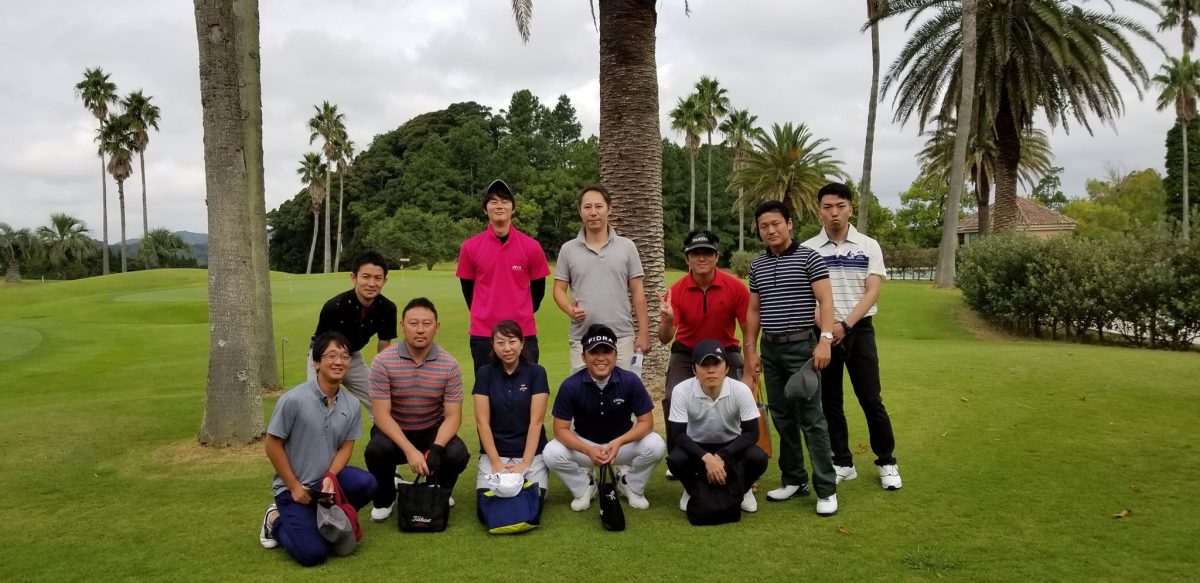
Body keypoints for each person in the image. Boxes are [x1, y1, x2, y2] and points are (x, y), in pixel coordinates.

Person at [742, 200, 840, 516]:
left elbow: (826, 301)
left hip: (802, 348)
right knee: (783, 417)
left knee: (812, 419)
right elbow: (754, 310)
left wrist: (825, 341)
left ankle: (826, 488)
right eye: (764, 226)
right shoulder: (757, 265)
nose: (771, 230)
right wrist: (750, 349)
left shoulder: (809, 258)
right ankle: (794, 479)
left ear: (789, 223)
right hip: (770, 350)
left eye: (776, 224)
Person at [802, 182, 902, 490]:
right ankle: (843, 462)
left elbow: (872, 292)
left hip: (859, 330)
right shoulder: (808, 249)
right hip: (823, 334)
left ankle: (886, 461)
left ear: (850, 209)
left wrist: (844, 325)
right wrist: (828, 328)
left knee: (870, 398)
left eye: (840, 206)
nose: (834, 212)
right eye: (828, 207)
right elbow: (807, 297)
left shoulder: (868, 245)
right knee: (830, 401)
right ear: (819, 211)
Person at [259, 331, 378, 566]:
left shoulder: (351, 404)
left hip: (327, 483)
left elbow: (346, 446)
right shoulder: (293, 400)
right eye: (331, 355)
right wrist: (294, 486)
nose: (339, 361)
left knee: (367, 484)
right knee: (312, 554)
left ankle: (321, 516)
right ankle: (274, 520)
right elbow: (272, 445)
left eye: (344, 356)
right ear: (316, 363)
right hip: (295, 488)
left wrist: (331, 476)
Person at [364, 297, 470, 522]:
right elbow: (381, 415)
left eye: (426, 323)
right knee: (376, 450)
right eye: (413, 323)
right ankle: (385, 497)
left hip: (431, 429)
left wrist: (437, 448)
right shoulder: (383, 361)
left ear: (437, 327)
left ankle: (436, 488)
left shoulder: (450, 365)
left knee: (457, 454)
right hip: (395, 430)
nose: (420, 329)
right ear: (402, 326)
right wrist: (410, 450)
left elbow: (453, 417)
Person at [543, 324, 666, 511]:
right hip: (586, 445)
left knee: (656, 444)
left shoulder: (630, 381)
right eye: (594, 352)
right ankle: (585, 486)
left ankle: (630, 484)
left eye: (607, 352)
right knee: (551, 452)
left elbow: (646, 423)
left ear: (616, 355)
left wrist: (619, 442)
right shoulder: (570, 385)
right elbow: (560, 429)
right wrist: (588, 450)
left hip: (621, 445)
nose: (601, 358)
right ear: (583, 357)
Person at [658, 229, 753, 457]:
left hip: (726, 351)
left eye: (707, 253)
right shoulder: (676, 291)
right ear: (686, 258)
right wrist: (667, 320)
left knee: (743, 394)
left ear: (717, 257)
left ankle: (739, 453)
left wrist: (750, 368)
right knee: (672, 397)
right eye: (695, 253)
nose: (702, 258)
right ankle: (678, 455)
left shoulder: (736, 287)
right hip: (686, 352)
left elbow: (748, 330)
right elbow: (664, 337)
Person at [553, 185, 650, 373]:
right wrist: (570, 310)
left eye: (598, 206)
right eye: (587, 207)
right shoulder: (568, 249)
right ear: (580, 211)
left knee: (623, 389)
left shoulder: (627, 247)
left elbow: (638, 292)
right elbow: (558, 289)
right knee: (583, 390)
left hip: (621, 337)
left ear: (609, 209)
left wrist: (644, 334)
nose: (593, 212)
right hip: (582, 338)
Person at [456, 179, 551, 372]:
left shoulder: (531, 246)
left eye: (505, 201)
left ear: (513, 208)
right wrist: (484, 312)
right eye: (493, 201)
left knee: (526, 388)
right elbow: (468, 290)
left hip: (523, 333)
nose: (499, 205)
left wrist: (521, 311)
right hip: (484, 334)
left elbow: (538, 291)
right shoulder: (470, 247)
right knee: (486, 388)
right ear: (485, 209)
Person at [666, 339, 768, 515]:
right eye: (704, 365)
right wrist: (707, 458)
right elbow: (678, 435)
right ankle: (693, 490)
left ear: (726, 368)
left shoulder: (740, 390)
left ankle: (743, 490)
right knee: (676, 459)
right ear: (694, 370)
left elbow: (752, 434)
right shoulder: (681, 391)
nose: (711, 370)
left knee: (758, 457)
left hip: (731, 446)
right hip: (697, 448)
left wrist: (721, 456)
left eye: (716, 364)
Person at [309, 251, 397, 417]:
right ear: (354, 278)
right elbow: (321, 347)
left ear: (384, 281)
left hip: (353, 355)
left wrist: (383, 377)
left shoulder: (387, 308)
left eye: (378, 278)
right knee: (318, 407)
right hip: (323, 355)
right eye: (366, 277)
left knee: (380, 403)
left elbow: (384, 346)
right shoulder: (334, 307)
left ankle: (383, 434)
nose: (372, 283)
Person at [472, 320, 551, 497]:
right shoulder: (484, 373)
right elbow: (482, 422)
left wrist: (525, 463)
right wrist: (495, 462)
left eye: (512, 341)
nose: (507, 348)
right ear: (493, 345)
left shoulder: (537, 372)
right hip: (495, 453)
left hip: (530, 453)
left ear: (522, 343)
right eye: (500, 343)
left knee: (534, 500)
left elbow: (536, 422)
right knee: (488, 503)